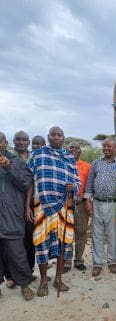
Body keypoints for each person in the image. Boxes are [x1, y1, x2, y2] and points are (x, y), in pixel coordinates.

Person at [25, 126, 80, 297]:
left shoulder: (69, 157)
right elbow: (30, 182)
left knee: (63, 243)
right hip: (42, 206)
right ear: (48, 137)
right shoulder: (38, 154)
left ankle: (58, 278)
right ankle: (43, 281)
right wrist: (27, 206)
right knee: (41, 243)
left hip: (64, 206)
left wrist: (74, 187)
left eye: (59, 135)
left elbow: (77, 181)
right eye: (53, 135)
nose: (56, 137)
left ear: (63, 138)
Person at [85, 138, 116, 276]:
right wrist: (88, 201)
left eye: (109, 146)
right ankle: (97, 264)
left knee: (112, 234)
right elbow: (90, 182)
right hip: (97, 202)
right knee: (96, 235)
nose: (106, 149)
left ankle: (112, 261)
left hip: (114, 204)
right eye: (104, 146)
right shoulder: (96, 163)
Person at [0, 131, 34, 300]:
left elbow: (26, 183)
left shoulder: (16, 161)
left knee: (17, 252)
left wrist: (9, 167)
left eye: (0, 141)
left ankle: (25, 284)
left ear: (5, 143)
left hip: (12, 215)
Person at [66, 141, 91, 272]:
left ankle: (79, 260)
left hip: (81, 204)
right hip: (64, 204)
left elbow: (90, 184)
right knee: (66, 233)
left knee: (81, 232)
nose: (74, 150)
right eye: (71, 147)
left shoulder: (86, 166)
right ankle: (66, 262)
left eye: (77, 148)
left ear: (80, 151)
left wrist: (84, 197)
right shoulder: (61, 164)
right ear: (66, 149)